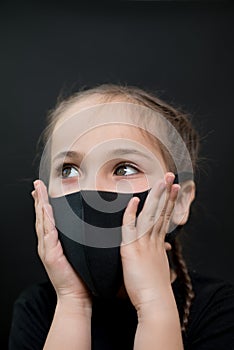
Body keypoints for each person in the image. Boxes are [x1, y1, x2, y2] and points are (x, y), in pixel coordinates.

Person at [9, 84, 234, 350]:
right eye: (68, 170)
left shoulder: (220, 310)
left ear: (179, 202)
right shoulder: (38, 308)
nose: (90, 192)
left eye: (124, 169)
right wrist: (73, 303)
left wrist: (153, 302)